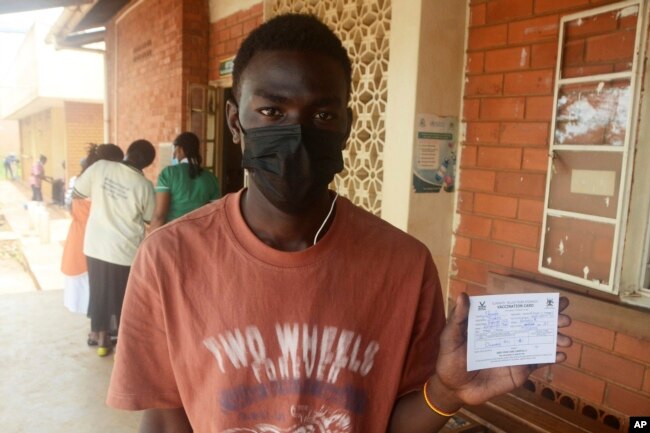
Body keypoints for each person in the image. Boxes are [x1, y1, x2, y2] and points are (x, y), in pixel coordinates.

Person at [107, 15, 572, 432]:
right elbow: (167, 421)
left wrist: (447, 392)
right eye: (271, 112)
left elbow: (394, 421)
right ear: (235, 121)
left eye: (323, 115)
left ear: (346, 126)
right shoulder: (169, 258)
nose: (296, 133)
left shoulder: (404, 266)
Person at [73, 139, 156, 357]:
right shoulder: (144, 186)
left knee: (98, 292)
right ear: (147, 163)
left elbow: (77, 192)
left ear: (127, 152)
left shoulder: (100, 167)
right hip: (125, 250)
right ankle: (123, 343)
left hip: (96, 246)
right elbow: (149, 219)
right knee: (123, 297)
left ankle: (101, 340)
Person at [60, 144, 124, 345]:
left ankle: (99, 332)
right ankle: (101, 333)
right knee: (98, 289)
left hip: (80, 238)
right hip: (96, 241)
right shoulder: (103, 182)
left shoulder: (83, 178)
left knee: (95, 290)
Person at [149, 131, 220, 232]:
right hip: (199, 237)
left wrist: (149, 241)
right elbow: (214, 215)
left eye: (175, 149)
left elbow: (159, 215)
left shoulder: (168, 173)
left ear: (180, 149)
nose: (173, 154)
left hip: (172, 236)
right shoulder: (211, 178)